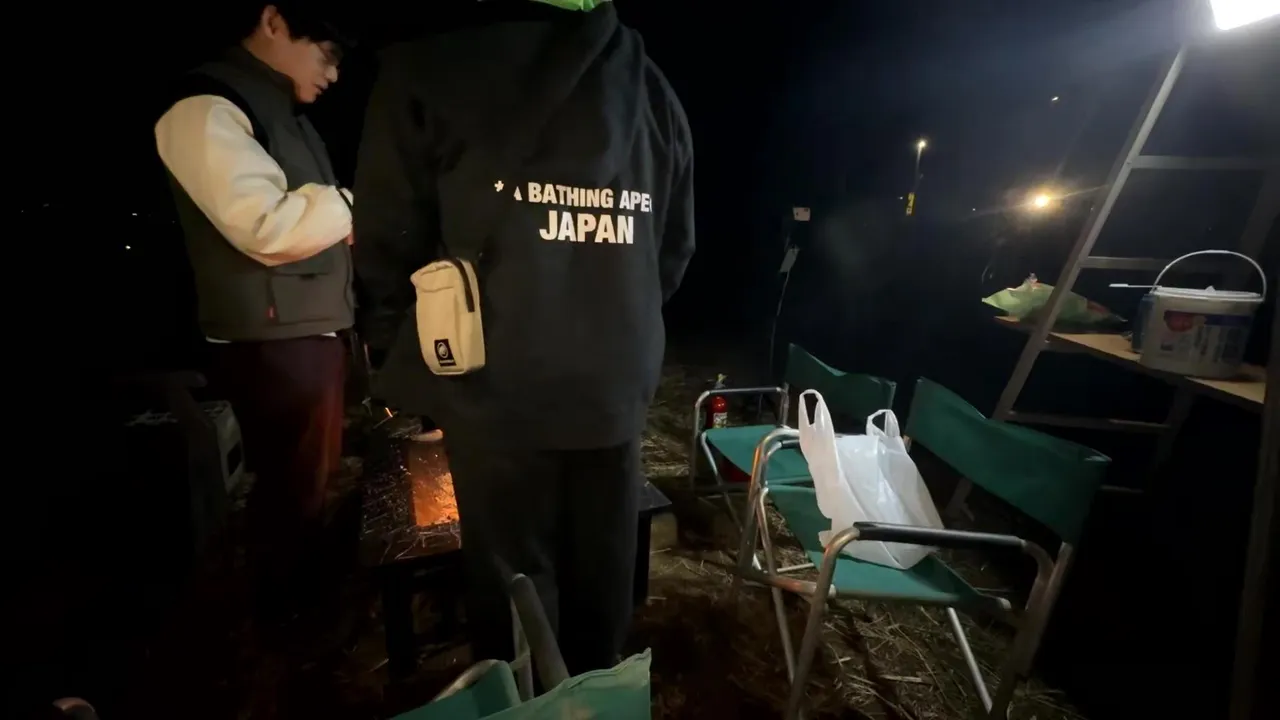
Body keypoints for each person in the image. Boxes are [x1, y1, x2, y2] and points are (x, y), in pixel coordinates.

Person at [355, 0, 694, 674]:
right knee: (603, 572)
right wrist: (612, 322)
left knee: (513, 584)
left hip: (495, 381)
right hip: (612, 383)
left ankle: (530, 698)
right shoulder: (654, 91)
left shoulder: (429, 72)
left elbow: (386, 243)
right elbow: (674, 250)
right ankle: (599, 697)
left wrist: (413, 355)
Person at [154, 1, 357, 621]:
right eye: (327, 54)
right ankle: (287, 628)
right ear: (274, 22)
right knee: (290, 494)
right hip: (271, 340)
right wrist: (353, 203)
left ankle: (305, 612)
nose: (334, 74)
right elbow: (263, 225)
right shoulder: (206, 105)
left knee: (309, 486)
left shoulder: (280, 109)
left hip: (303, 331)